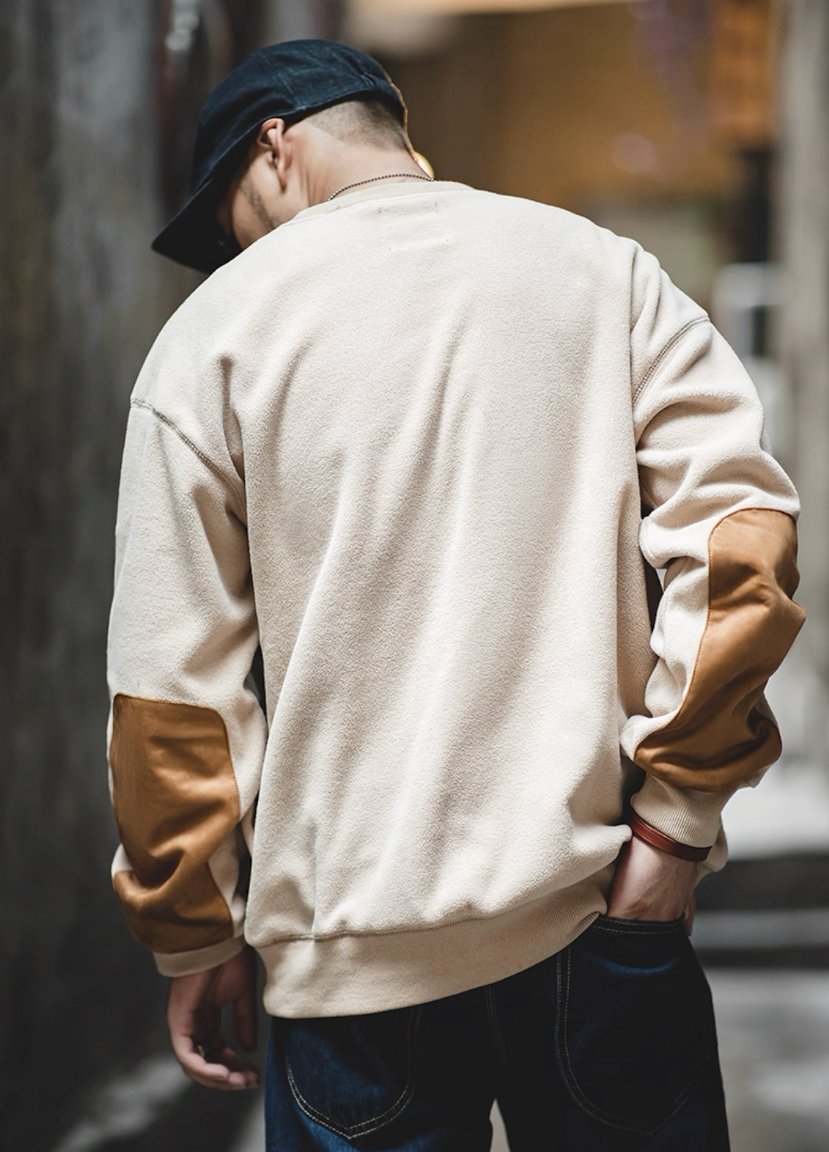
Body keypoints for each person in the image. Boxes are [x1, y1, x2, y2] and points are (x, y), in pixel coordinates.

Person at [107, 38, 804, 1151]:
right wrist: (671, 831)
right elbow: (739, 551)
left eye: (230, 216)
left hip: (352, 960)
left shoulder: (210, 341)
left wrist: (194, 934)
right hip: (597, 912)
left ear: (274, 149)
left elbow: (170, 696)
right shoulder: (601, 271)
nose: (236, 252)